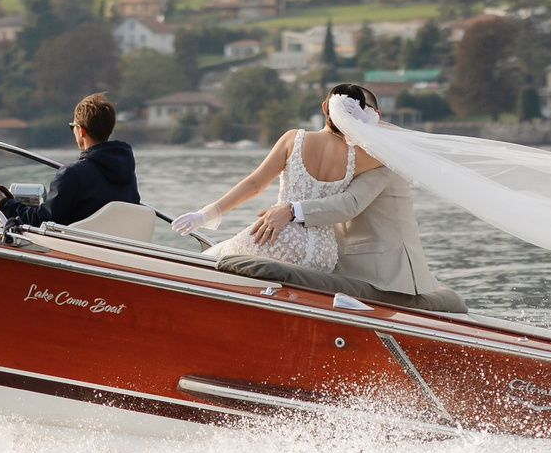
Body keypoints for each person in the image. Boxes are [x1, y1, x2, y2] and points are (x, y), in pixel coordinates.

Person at [175, 84, 463, 312]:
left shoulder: (294, 138)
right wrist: (367, 126)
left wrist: (205, 214)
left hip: (280, 235)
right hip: (324, 253)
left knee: (203, 264)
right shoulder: (364, 156)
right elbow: (406, 148)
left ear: (325, 107)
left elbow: (254, 184)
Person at [0, 93, 138, 225]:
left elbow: (41, 221)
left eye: (73, 127)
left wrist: (2, 201)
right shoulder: (127, 173)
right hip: (118, 254)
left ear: (81, 130)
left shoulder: (73, 174)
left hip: (77, 254)